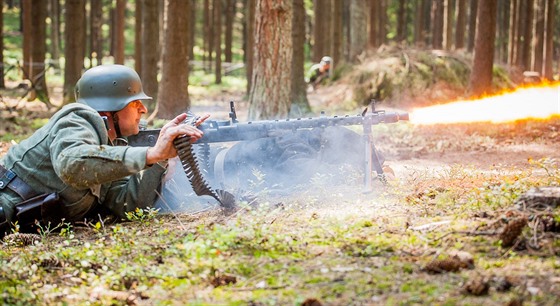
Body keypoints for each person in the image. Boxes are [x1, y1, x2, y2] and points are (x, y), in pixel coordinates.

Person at [0, 64, 208, 237]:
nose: (143, 110)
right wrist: (150, 154)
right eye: (135, 103)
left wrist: (161, 160)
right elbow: (72, 165)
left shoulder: (112, 146)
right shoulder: (77, 118)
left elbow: (127, 204)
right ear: (111, 108)